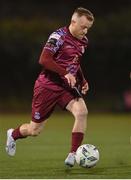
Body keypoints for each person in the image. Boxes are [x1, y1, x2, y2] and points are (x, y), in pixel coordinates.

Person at [6, 7, 94, 167]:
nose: (85, 31)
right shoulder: (58, 36)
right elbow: (44, 59)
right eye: (83, 27)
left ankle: (73, 154)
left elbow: (75, 62)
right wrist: (64, 73)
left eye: (88, 28)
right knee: (34, 130)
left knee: (82, 112)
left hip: (65, 87)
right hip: (47, 85)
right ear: (73, 22)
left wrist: (83, 79)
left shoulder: (83, 41)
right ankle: (13, 134)